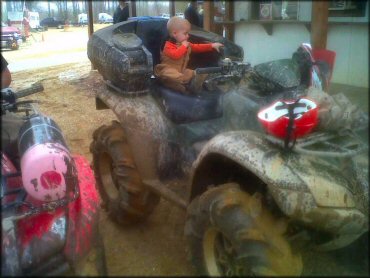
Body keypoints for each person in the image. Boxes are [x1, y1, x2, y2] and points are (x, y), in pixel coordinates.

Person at [154, 16, 223, 94]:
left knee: (193, 73)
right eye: (185, 33)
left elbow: (197, 47)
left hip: (181, 71)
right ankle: (182, 85)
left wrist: (212, 45)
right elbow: (176, 55)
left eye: (188, 33)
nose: (188, 36)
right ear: (175, 33)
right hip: (167, 69)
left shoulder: (185, 44)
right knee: (171, 75)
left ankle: (203, 81)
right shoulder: (167, 46)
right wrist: (184, 46)